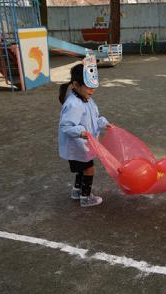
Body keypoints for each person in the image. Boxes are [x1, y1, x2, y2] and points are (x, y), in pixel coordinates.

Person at [58, 57, 111, 207]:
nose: (92, 90)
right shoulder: (74, 104)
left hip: (84, 146)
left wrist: (104, 124)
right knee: (89, 169)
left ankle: (77, 191)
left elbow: (95, 117)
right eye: (89, 87)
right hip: (77, 146)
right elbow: (66, 126)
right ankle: (86, 197)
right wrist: (81, 132)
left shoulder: (87, 99)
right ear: (76, 85)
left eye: (94, 86)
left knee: (81, 169)